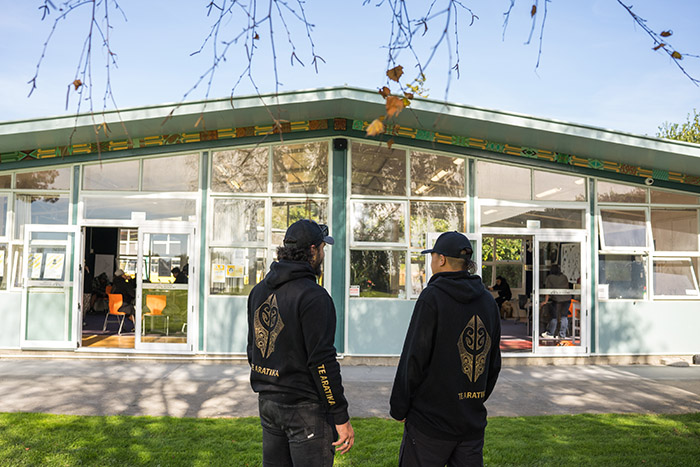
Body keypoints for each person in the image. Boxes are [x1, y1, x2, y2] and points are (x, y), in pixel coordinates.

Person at [247, 219, 354, 466]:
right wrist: (340, 415)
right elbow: (322, 362)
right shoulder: (314, 296)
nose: (323, 255)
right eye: (323, 249)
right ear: (313, 250)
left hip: (268, 403)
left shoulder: (259, 291)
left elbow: (253, 350)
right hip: (305, 409)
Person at [390, 231, 502, 467]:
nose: (431, 263)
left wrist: (399, 407)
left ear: (441, 259)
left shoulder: (432, 297)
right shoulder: (488, 301)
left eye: (432, 257)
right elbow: (493, 362)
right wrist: (474, 398)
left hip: (429, 425)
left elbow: (414, 358)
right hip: (470, 423)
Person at [541, 264, 571, 339]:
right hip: (567, 299)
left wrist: (545, 301)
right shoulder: (564, 277)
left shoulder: (550, 278)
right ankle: (562, 335)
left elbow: (547, 290)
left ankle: (551, 333)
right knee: (564, 317)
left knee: (554, 316)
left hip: (557, 299)